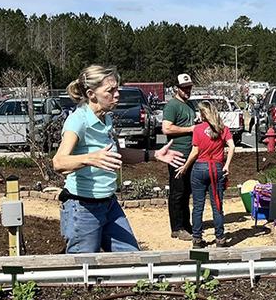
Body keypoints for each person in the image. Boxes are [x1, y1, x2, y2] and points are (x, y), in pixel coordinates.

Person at [52, 65, 183, 253]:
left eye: (117, 89)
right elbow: (59, 162)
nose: (117, 94)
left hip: (109, 204)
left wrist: (153, 155)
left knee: (131, 259)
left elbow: (117, 153)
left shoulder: (106, 119)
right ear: (91, 94)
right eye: (110, 90)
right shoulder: (78, 121)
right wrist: (91, 158)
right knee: (85, 271)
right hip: (83, 208)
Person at [176, 100, 235, 247]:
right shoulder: (223, 128)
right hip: (216, 168)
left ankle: (197, 238)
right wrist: (227, 165)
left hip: (200, 167)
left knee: (198, 205)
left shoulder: (197, 129)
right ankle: (220, 238)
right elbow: (232, 146)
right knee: (217, 205)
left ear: (202, 114)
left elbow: (195, 151)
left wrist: (184, 166)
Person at [162, 73, 197, 240]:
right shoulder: (172, 106)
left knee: (186, 191)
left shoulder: (189, 105)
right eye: (184, 88)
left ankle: (186, 224)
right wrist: (190, 129)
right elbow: (167, 128)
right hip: (176, 154)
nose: (187, 90)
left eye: (189, 87)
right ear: (177, 88)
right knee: (178, 191)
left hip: (190, 154)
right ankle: (177, 227)